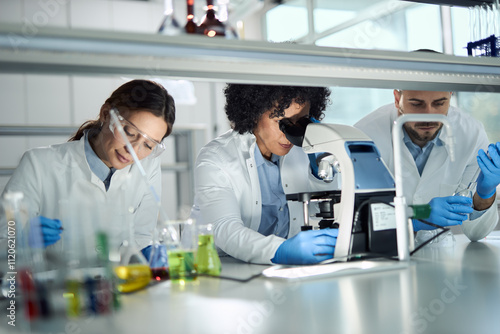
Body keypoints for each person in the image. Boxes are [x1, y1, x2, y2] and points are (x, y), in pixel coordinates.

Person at [0, 79, 176, 256]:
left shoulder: (148, 167)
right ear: (106, 114)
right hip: (57, 283)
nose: (133, 150)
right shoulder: (38, 163)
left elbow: (141, 237)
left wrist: (147, 256)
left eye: (148, 145)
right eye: (129, 132)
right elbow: (3, 241)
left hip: (121, 282)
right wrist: (19, 242)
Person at [190, 84, 339, 265]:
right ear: (254, 113)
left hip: (281, 271)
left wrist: (321, 176)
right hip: (221, 268)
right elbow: (225, 229)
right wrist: (280, 251)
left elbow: (319, 213)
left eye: (301, 122)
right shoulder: (216, 158)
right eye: (281, 122)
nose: (289, 134)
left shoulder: (303, 151)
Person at [354, 89, 498, 241]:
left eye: (439, 103)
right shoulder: (365, 136)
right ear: (397, 99)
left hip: (442, 256)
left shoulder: (471, 134)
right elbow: (359, 221)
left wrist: (485, 193)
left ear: (450, 97)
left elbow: (476, 233)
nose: (428, 116)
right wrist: (418, 215)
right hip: (385, 256)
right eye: (416, 104)